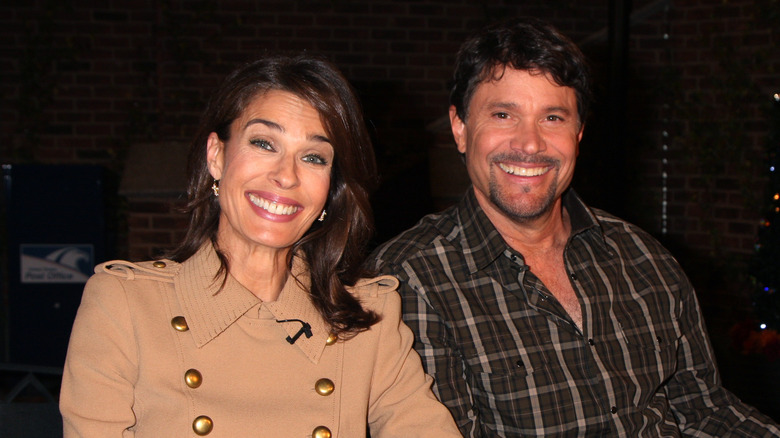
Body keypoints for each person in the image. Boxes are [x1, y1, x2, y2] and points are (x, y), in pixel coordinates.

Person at [367, 17, 780, 437]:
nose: (529, 144)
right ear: (460, 127)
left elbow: (704, 411)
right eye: (504, 114)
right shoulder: (406, 281)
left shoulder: (644, 258)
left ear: (579, 133)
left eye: (553, 118)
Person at [60, 54, 461, 437]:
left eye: (314, 157)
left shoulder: (367, 319)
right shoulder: (126, 305)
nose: (286, 176)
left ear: (330, 190)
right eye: (264, 144)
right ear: (216, 156)